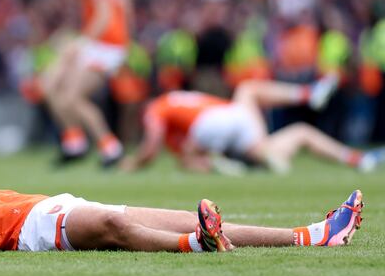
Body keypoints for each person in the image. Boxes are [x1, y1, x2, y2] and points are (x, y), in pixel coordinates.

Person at [0, 136, 363, 252]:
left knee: (186, 215)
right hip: (38, 230)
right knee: (118, 229)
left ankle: (316, 236)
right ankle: (196, 248)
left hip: (52, 207)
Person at [121, 76, 384, 174]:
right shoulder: (175, 104)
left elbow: (150, 147)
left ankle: (231, 165)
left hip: (217, 124)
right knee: (299, 132)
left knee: (247, 90)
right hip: (232, 124)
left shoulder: (155, 108)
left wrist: (131, 164)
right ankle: (358, 159)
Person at [42, 0, 133, 168]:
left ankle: (109, 147)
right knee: (51, 85)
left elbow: (104, 15)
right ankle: (76, 142)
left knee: (69, 95)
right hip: (107, 41)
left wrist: (80, 42)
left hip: (105, 44)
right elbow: (122, 1)